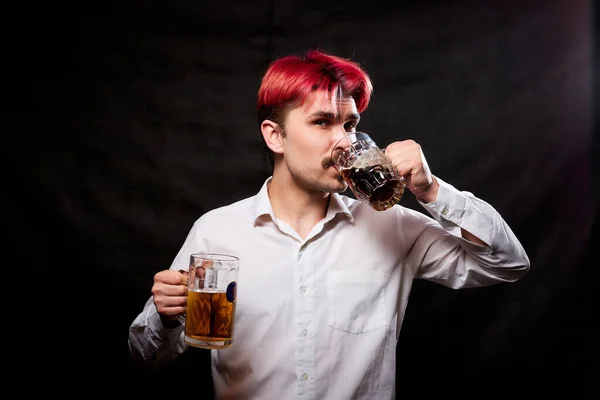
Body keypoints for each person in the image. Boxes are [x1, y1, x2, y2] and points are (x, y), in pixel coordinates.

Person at [128, 49, 530, 399]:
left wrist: (432, 191)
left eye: (350, 125)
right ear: (275, 136)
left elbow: (508, 264)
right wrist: (165, 317)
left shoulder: (391, 227)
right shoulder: (218, 232)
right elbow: (147, 357)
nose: (343, 141)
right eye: (322, 122)